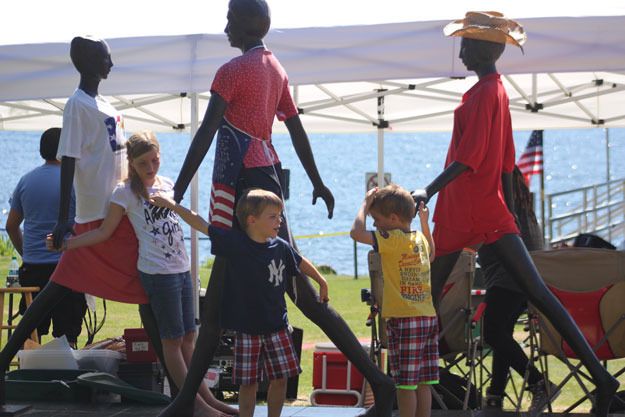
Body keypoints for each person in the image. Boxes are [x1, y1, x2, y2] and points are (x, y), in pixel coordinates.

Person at [158, 1, 395, 416]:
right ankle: (183, 402)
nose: (226, 26)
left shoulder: (232, 71)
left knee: (296, 294)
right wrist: (316, 179)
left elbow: (208, 131)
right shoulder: (276, 67)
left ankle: (381, 384)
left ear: (251, 23)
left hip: (246, 191)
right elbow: (295, 126)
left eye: (231, 19)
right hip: (267, 178)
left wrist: (177, 188)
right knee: (218, 304)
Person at [411, 11, 618, 416]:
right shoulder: (491, 91)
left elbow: (471, 158)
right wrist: (507, 215)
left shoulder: (489, 93)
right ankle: (602, 378)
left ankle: (405, 378)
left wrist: (428, 190)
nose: (463, 50)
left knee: (428, 296)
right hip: (481, 209)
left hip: (469, 209)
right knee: (440, 295)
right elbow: (506, 163)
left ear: (485, 49)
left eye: (468, 44)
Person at [0, 36, 181, 412]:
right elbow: (69, 158)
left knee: (145, 298)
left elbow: (118, 157)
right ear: (87, 62)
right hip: (92, 218)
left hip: (118, 212)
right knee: (51, 296)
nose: (111, 63)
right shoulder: (76, 105)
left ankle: (177, 387)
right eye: (106, 57)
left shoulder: (107, 104)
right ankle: (3, 364)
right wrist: (66, 219)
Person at [47, 131, 236, 417]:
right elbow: (103, 231)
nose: (150, 168)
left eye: (155, 160)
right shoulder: (124, 192)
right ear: (131, 164)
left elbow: (183, 218)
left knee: (188, 339)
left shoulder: (168, 184)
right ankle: (194, 405)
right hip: (158, 274)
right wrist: (68, 243)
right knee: (171, 341)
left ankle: (208, 400)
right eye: (143, 163)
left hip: (182, 269)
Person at [151, 188, 329, 417]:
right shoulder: (235, 244)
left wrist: (321, 281)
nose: (280, 221)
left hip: (278, 329)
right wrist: (172, 205)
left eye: (280, 215)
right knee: (248, 385)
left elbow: (300, 261)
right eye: (273, 216)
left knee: (281, 380)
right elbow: (200, 222)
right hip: (247, 333)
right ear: (252, 220)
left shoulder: (281, 247)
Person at [350, 185, 438, 417]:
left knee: (405, 385)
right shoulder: (417, 237)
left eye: (376, 219)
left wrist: (364, 203)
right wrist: (425, 223)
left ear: (393, 218)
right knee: (423, 382)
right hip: (428, 317)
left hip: (404, 319)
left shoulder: (391, 240)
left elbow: (356, 233)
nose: (375, 225)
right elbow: (432, 254)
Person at [479, 166, 558, 411]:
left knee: (491, 331)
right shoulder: (525, 210)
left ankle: (538, 384)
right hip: (525, 282)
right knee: (502, 333)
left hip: (507, 279)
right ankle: (496, 394)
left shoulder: (499, 210)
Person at [5, 127, 86, 347]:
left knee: (33, 333)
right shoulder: (75, 183)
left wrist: (27, 252)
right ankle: (67, 378)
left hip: (33, 268)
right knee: (68, 334)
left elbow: (11, 225)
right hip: (67, 265)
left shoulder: (25, 181)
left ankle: (29, 374)